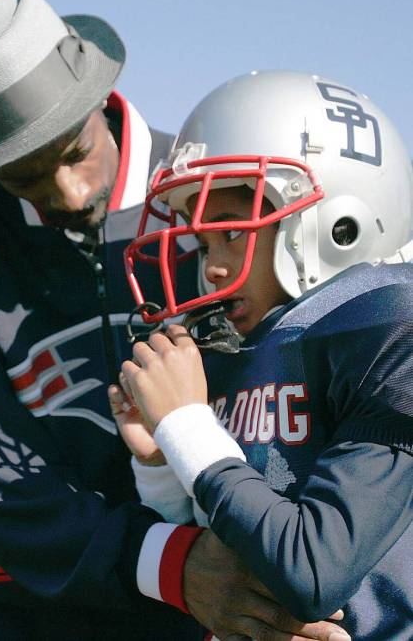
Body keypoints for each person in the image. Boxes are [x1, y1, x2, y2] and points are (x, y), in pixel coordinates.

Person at [0, 0, 350, 639]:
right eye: (25, 177)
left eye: (75, 151)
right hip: (13, 599)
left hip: (196, 582)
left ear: (97, 99)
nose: (70, 192)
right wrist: (169, 563)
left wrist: (295, 553)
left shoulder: (211, 186)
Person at [113, 70, 413, 640]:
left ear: (334, 227)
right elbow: (232, 536)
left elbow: (312, 570)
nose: (213, 268)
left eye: (231, 233)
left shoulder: (389, 329)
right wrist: (161, 463)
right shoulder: (241, 342)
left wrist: (186, 426)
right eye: (204, 245)